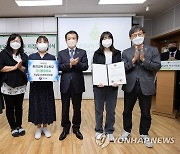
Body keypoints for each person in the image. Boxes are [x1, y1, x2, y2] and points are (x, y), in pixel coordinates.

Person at [120, 25, 161, 148]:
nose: (137, 37)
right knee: (127, 111)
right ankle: (126, 131)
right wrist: (132, 61)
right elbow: (122, 68)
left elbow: (157, 66)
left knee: (146, 112)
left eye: (140, 34)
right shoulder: (126, 52)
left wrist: (144, 60)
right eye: (134, 35)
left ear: (144, 35)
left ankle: (144, 133)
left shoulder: (153, 50)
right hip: (130, 86)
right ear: (130, 37)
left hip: (146, 86)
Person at [58, 30, 88, 140]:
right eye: (69, 38)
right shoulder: (61, 53)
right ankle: (65, 128)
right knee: (65, 108)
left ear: (77, 40)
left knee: (77, 108)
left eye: (73, 38)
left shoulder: (82, 52)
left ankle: (76, 128)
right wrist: (70, 64)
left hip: (77, 84)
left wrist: (77, 64)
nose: (71, 40)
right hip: (65, 84)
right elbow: (59, 67)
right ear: (66, 40)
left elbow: (85, 66)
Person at [92, 31, 121, 142]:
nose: (107, 40)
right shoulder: (97, 53)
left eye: (109, 38)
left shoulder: (117, 53)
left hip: (112, 86)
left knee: (110, 110)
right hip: (99, 86)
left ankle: (109, 130)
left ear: (112, 40)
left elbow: (119, 68)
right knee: (99, 109)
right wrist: (98, 81)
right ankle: (99, 130)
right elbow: (95, 68)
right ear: (101, 40)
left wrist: (117, 80)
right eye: (104, 38)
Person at [28, 36, 56, 140]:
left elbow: (54, 72)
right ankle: (38, 127)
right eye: (40, 42)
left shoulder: (52, 57)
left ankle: (45, 127)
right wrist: (28, 74)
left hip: (47, 87)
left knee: (47, 105)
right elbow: (28, 71)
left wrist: (54, 75)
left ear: (48, 44)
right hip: (35, 87)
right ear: (36, 43)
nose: (42, 43)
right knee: (36, 105)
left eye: (44, 42)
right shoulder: (31, 56)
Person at [0, 33, 28, 137]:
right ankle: (13, 127)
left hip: (20, 85)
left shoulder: (23, 55)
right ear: (9, 42)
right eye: (13, 41)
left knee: (19, 107)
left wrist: (20, 67)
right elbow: (1, 68)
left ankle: (19, 126)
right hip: (7, 85)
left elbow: (26, 69)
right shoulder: (3, 54)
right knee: (10, 107)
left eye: (18, 41)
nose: (15, 43)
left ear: (21, 43)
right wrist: (15, 67)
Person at [161, 40, 180, 111]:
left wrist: (176, 61)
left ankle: (176, 108)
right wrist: (167, 62)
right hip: (165, 78)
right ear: (167, 46)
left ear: (176, 46)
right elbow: (159, 65)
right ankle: (164, 107)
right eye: (170, 45)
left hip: (178, 78)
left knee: (177, 92)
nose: (171, 46)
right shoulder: (163, 55)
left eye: (173, 45)